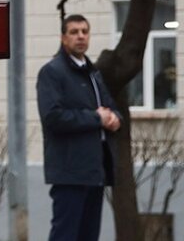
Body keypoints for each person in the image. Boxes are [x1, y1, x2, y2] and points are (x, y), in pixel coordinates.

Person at [36, 14, 121, 241]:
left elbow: (110, 107)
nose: (80, 36)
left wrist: (115, 118)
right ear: (64, 38)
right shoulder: (52, 72)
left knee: (89, 235)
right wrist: (96, 118)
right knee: (65, 235)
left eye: (84, 31)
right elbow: (53, 117)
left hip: (95, 170)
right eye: (74, 32)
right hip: (69, 172)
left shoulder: (92, 73)